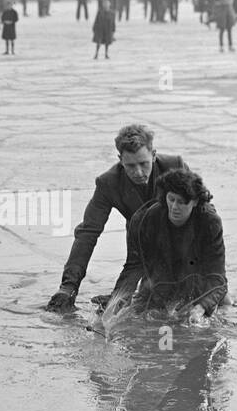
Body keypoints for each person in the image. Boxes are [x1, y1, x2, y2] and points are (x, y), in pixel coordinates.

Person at [46, 124, 191, 312]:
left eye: (144, 164)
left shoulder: (175, 166)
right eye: (130, 166)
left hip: (181, 237)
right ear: (120, 160)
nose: (138, 172)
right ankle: (127, 295)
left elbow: (203, 212)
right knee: (122, 306)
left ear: (154, 155)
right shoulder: (108, 183)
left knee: (183, 300)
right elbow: (87, 234)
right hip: (139, 242)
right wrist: (68, 287)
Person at [108, 168, 227, 318]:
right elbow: (134, 267)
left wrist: (201, 307)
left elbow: (218, 277)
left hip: (197, 282)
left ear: (195, 202)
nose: (175, 207)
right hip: (160, 282)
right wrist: (116, 302)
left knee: (223, 307)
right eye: (171, 199)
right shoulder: (146, 220)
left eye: (182, 202)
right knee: (135, 314)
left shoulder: (210, 222)